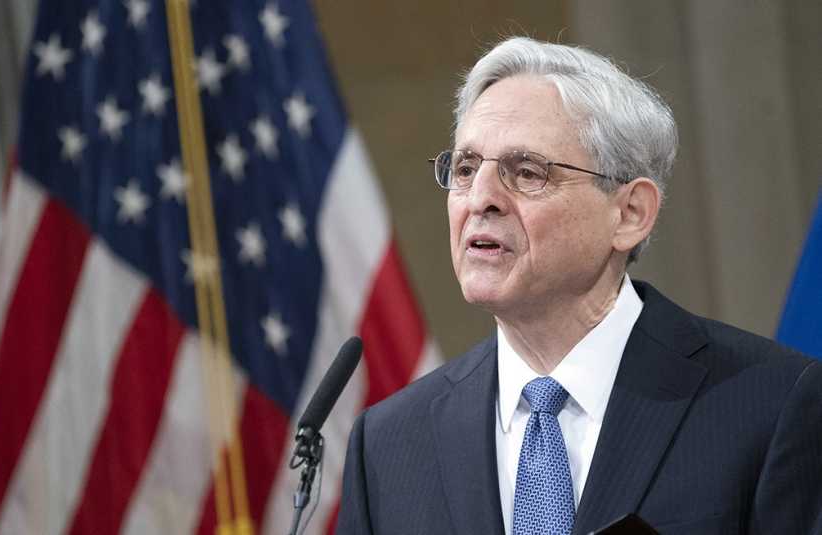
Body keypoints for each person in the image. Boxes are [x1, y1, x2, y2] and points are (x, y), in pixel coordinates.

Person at [335, 37, 822, 535]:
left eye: (527, 172)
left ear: (630, 213)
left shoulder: (773, 404)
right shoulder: (387, 444)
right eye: (465, 169)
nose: (480, 198)